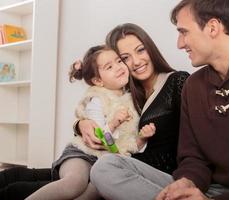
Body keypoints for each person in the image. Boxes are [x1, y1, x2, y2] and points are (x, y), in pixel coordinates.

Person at [87, 0, 229, 200]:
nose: (179, 44)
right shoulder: (194, 86)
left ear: (212, 27)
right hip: (209, 189)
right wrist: (187, 182)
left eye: (183, 32)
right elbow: (193, 158)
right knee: (105, 168)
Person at [26, 44, 156, 200]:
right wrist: (114, 123)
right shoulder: (97, 99)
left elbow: (129, 144)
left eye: (119, 61)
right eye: (109, 67)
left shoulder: (132, 102)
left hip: (106, 163)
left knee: (93, 192)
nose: (118, 67)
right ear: (98, 81)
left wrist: (142, 138)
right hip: (82, 153)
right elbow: (98, 137)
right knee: (74, 183)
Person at [76, 23, 190, 175]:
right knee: (71, 180)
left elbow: (198, 136)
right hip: (127, 165)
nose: (136, 62)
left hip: (165, 174)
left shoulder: (177, 81)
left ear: (150, 48)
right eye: (125, 58)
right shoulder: (126, 93)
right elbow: (99, 117)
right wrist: (79, 124)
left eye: (141, 50)